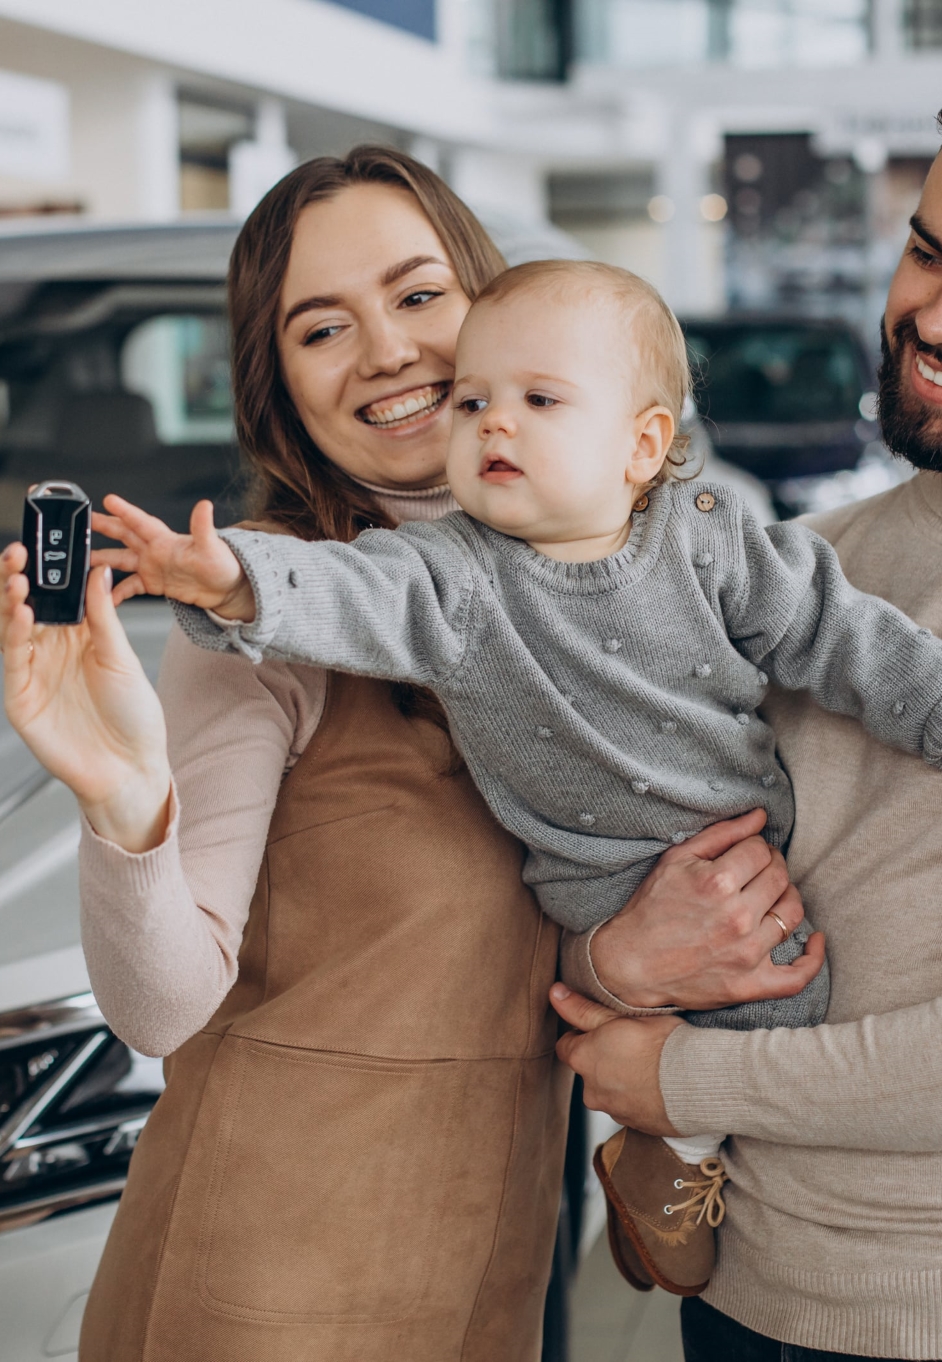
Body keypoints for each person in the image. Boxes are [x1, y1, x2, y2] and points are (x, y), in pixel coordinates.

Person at [0, 154, 822, 1358]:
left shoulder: (640, 585)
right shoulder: (257, 614)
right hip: (265, 1289)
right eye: (322, 327)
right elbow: (163, 1007)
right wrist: (127, 804)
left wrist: (620, 956)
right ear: (279, 386)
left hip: (486, 1272)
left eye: (420, 297)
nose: (387, 350)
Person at [86, 254, 942, 1298]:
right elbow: (351, 591)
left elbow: (844, 638)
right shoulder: (457, 575)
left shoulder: (714, 541)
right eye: (476, 402)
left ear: (643, 446)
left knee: (788, 985)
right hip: (597, 872)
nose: (495, 425)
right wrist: (231, 578)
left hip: (742, 843)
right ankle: (678, 1155)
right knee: (733, 1015)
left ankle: (672, 1152)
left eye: (539, 401)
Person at [550, 130, 942, 1362]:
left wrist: (682, 1084)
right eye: (927, 252)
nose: (930, 314)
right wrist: (620, 954)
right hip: (734, 1289)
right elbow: (615, 832)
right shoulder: (797, 564)